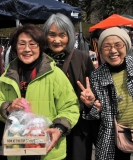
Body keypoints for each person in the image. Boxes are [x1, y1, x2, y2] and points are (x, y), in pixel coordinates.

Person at [0, 24, 79, 160]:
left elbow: (71, 107)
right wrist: (8, 107)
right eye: (22, 44)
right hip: (17, 150)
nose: (27, 49)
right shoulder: (7, 76)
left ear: (40, 46)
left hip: (48, 150)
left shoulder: (55, 74)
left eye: (33, 44)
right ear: (15, 47)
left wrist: (59, 129)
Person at [77, 27, 133, 160]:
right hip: (114, 135)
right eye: (106, 46)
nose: (113, 51)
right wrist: (91, 105)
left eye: (118, 45)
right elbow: (95, 115)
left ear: (126, 46)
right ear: (100, 50)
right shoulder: (96, 76)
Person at [43, 13, 99, 160]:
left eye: (62, 35)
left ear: (69, 36)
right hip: (47, 126)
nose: (57, 40)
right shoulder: (39, 59)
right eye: (52, 34)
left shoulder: (82, 58)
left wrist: (91, 100)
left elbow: (95, 93)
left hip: (78, 128)